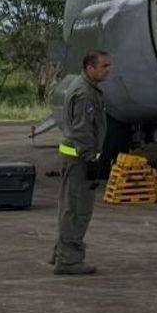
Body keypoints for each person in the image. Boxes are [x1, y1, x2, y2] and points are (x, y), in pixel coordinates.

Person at [51, 50, 111, 276]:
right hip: (79, 159)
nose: (108, 70)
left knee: (70, 206)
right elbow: (82, 130)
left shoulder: (83, 86)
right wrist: (91, 158)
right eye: (104, 66)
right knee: (77, 210)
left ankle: (60, 252)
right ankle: (68, 260)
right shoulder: (85, 93)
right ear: (90, 68)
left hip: (75, 157)